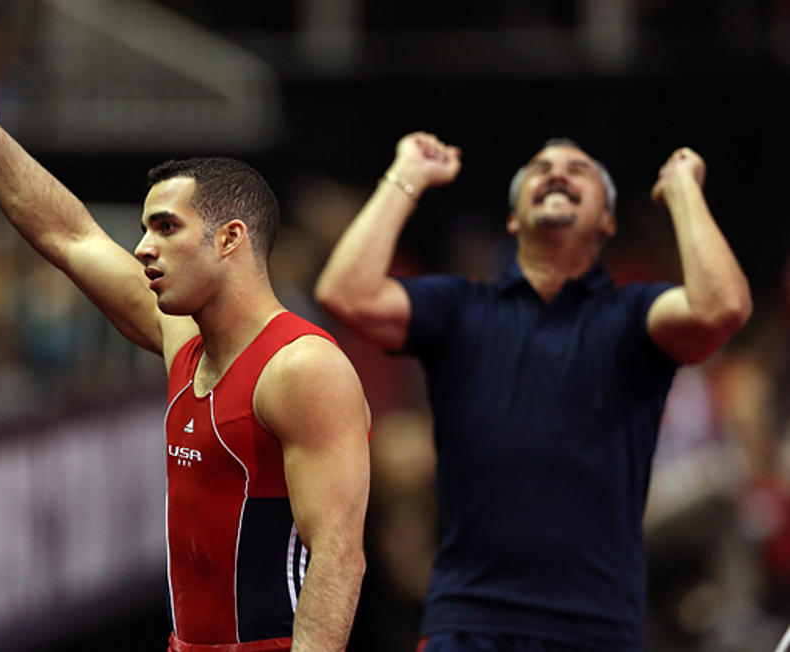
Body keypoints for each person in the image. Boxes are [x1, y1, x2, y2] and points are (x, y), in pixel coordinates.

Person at [0, 21, 370, 652]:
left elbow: (338, 556)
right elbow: (68, 234)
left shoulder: (301, 368)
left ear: (230, 239)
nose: (142, 248)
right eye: (143, 228)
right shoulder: (183, 341)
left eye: (165, 228)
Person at [315, 132, 752, 651]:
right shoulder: (463, 308)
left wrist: (683, 192)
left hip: (596, 622)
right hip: (471, 619)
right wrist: (408, 172)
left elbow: (720, 307)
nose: (558, 172)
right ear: (514, 220)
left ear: (607, 223)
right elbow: (346, 292)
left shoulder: (633, 317)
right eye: (541, 167)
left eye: (579, 169)